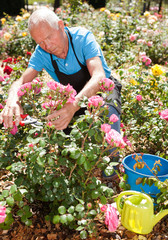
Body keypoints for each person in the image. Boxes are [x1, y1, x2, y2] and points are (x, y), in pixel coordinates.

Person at [0, 7, 122, 157]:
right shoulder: (41, 53)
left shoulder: (82, 38)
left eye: (49, 37)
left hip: (103, 90)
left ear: (60, 25)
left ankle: (111, 176)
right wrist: (12, 99)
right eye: (41, 42)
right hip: (75, 97)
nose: (48, 46)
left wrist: (73, 106)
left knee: (108, 114)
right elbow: (20, 81)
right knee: (66, 142)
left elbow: (99, 76)